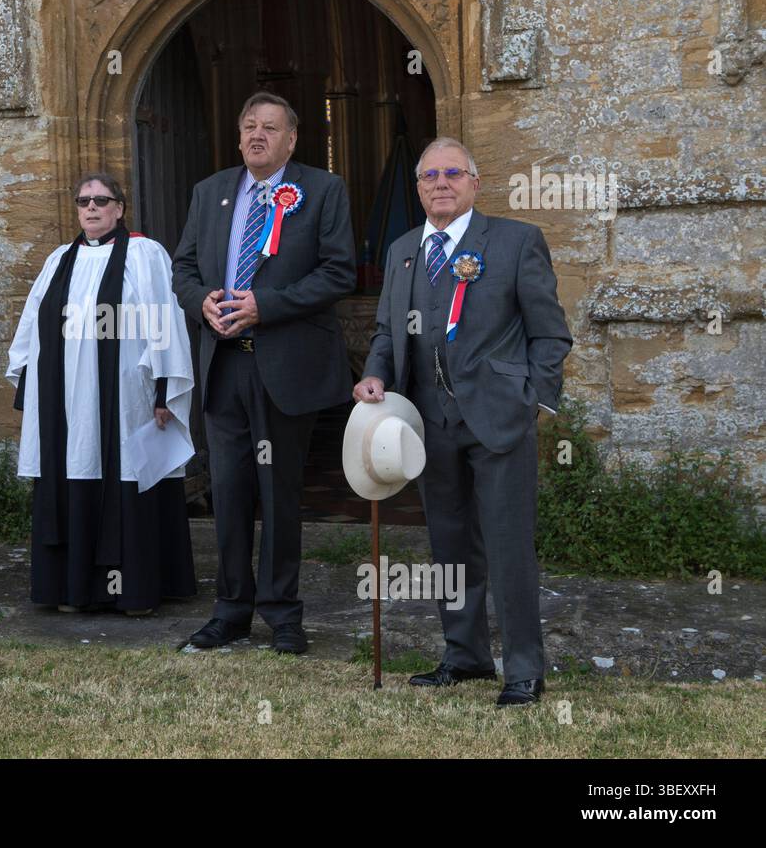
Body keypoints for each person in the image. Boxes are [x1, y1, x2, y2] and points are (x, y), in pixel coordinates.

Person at [353, 136, 572, 706]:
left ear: (475, 182)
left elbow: (550, 332)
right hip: (429, 425)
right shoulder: (403, 250)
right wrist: (376, 376)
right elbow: (385, 334)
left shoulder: (516, 241)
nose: (441, 183)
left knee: (507, 547)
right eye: (430, 176)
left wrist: (532, 398)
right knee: (449, 548)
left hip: (498, 420)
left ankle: (524, 668)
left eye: (453, 173)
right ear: (418, 187)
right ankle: (466, 655)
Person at [172, 92, 357, 654]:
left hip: (283, 364)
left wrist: (265, 306)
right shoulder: (210, 193)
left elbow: (338, 271)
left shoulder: (323, 191)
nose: (257, 135)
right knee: (228, 491)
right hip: (224, 365)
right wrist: (201, 299)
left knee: (278, 491)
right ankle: (230, 611)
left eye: (270, 128)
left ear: (292, 138)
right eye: (249, 126)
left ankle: (282, 613)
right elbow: (182, 267)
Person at [8, 172, 197, 614]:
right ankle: (72, 590)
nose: (91, 208)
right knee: (74, 467)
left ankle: (134, 592)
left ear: (119, 208)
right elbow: (33, 323)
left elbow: (164, 319)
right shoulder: (59, 259)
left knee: (127, 474)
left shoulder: (146, 255)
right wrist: (30, 391)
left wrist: (165, 388)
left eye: (101, 200)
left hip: (125, 396)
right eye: (83, 201)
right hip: (66, 403)